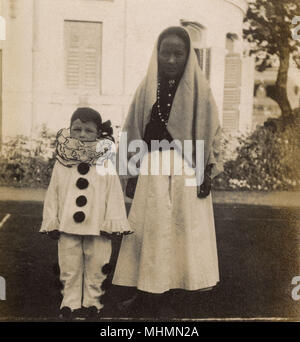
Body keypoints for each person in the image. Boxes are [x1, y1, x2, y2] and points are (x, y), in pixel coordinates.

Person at [112, 26, 223, 317]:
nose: (171, 59)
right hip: (152, 167)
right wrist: (131, 173)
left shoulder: (200, 89)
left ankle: (169, 297)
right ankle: (145, 292)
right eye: (166, 52)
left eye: (178, 53)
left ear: (188, 55)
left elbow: (211, 133)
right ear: (157, 53)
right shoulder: (147, 87)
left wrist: (206, 171)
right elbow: (133, 128)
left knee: (178, 234)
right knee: (149, 232)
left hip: (187, 168)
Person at [40, 107, 132, 320]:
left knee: (98, 264)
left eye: (89, 130)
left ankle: (93, 303)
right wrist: (51, 220)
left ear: (98, 133)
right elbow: (54, 191)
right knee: (68, 264)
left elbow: (113, 192)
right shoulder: (63, 161)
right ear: (69, 130)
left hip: (97, 224)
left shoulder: (105, 160)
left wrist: (113, 222)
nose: (82, 134)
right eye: (77, 129)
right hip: (67, 225)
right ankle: (69, 303)